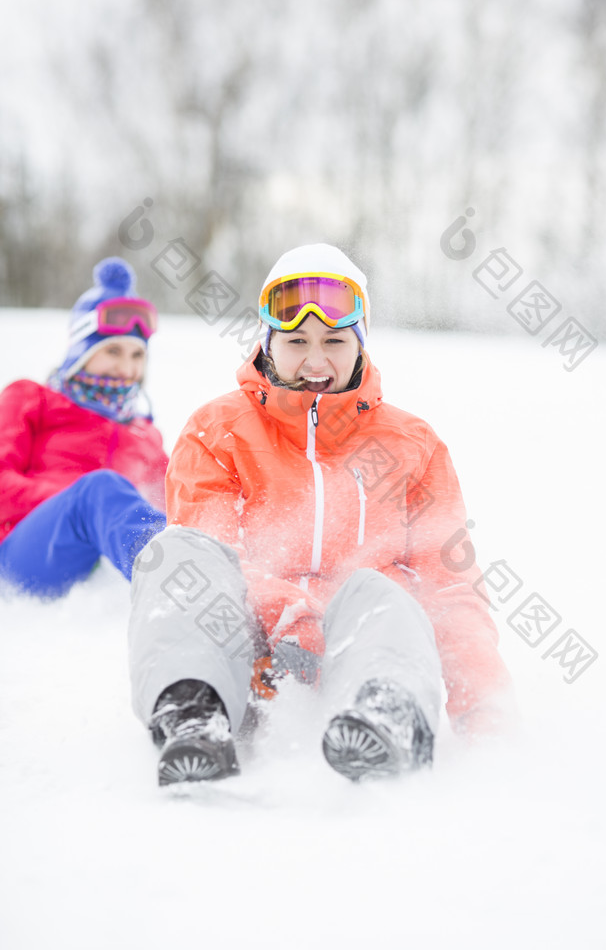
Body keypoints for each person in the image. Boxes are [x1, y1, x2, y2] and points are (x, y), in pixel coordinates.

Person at [129, 244, 515, 786]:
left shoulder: (412, 445)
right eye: (295, 342)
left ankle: (386, 716)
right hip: (246, 646)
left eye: (335, 341)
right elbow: (213, 546)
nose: (316, 361)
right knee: (176, 552)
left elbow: (449, 583)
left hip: (354, 653)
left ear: (361, 345)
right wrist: (291, 614)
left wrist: (486, 711)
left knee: (386, 591)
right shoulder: (217, 430)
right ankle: (194, 712)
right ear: (267, 343)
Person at [0, 257, 168, 599]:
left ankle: (221, 581)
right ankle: (175, 584)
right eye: (113, 351)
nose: (126, 368)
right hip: (22, 549)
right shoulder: (32, 398)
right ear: (81, 351)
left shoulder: (143, 434)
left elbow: (176, 499)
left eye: (137, 355)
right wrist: (79, 504)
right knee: (100, 489)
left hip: (94, 555)